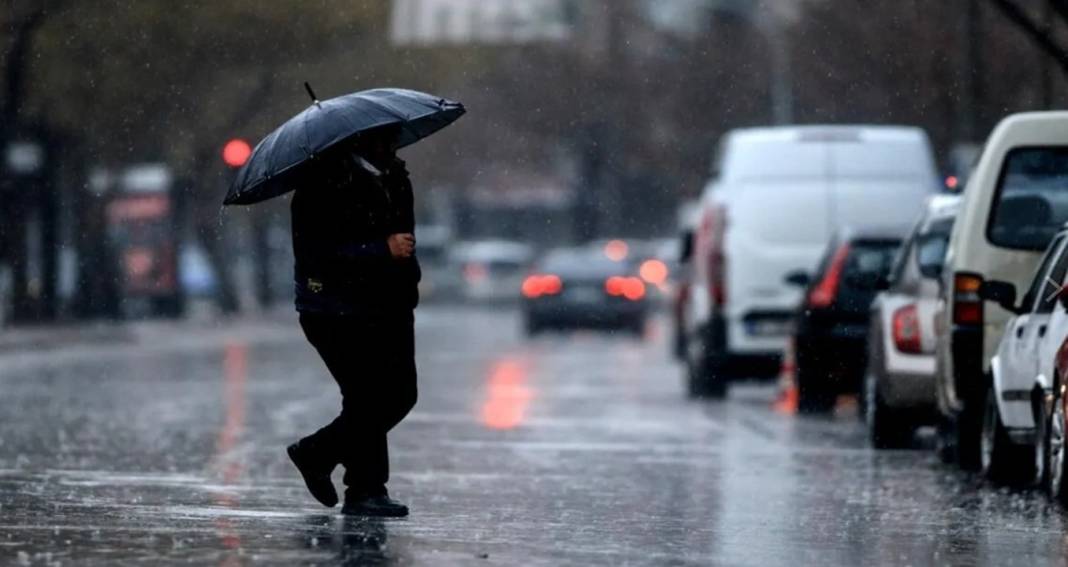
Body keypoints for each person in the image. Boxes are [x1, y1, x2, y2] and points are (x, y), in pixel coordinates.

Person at [286, 125, 419, 517]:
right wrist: (380, 250)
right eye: (383, 138)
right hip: (335, 309)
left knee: (398, 395)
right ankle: (364, 488)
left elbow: (405, 237)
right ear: (359, 140)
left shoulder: (396, 176)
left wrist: (407, 276)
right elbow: (317, 254)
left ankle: (321, 456)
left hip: (390, 304)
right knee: (368, 397)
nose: (392, 144)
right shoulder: (321, 184)